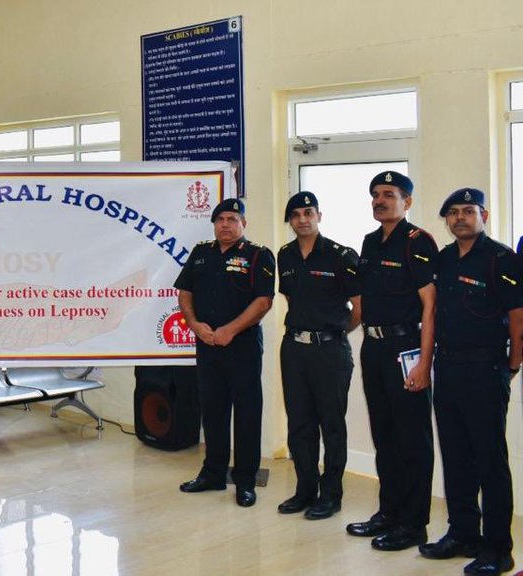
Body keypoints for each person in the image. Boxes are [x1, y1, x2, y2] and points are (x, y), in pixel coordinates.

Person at [419, 188, 521, 575]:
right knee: (457, 456)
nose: (460, 218)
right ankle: (463, 534)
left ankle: (498, 549)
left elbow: (519, 320)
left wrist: (509, 367)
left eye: (468, 211)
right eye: (453, 213)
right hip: (447, 368)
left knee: (490, 461)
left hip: (484, 369)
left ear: (485, 215)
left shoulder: (502, 259)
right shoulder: (443, 260)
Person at [346, 171, 438, 552]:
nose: (379, 201)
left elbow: (431, 306)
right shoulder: (370, 242)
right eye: (375, 195)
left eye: (388, 194)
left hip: (407, 349)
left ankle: (414, 525)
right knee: (385, 435)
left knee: (412, 439)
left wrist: (423, 363)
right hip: (375, 348)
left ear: (407, 202)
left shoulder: (418, 242)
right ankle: (389, 513)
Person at [174, 198, 275, 508]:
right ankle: (213, 473)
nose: (226, 225)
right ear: (214, 224)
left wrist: (230, 329)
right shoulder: (201, 253)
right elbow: (185, 292)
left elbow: (263, 301)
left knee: (246, 414)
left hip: (241, 346)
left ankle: (245, 481)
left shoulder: (259, 255)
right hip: (207, 345)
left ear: (243, 223)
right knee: (213, 411)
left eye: (233, 219)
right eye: (220, 219)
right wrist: (193, 324)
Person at [275, 192, 361, 520]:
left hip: (330, 351)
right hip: (294, 349)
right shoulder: (286, 256)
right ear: (291, 221)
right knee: (299, 424)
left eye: (308, 213)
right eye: (296, 214)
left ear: (319, 216)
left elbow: (359, 309)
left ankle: (331, 495)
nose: (303, 219)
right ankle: (305, 490)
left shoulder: (341, 256)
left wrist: (334, 333)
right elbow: (294, 301)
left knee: (332, 425)